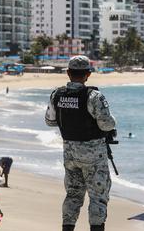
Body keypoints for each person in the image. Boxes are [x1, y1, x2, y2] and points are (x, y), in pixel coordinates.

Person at [45, 55, 117, 231]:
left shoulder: (57, 94)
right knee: (98, 197)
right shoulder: (94, 96)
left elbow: (50, 121)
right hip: (93, 156)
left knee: (73, 195)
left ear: (68, 73)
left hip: (70, 154)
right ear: (88, 75)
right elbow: (106, 124)